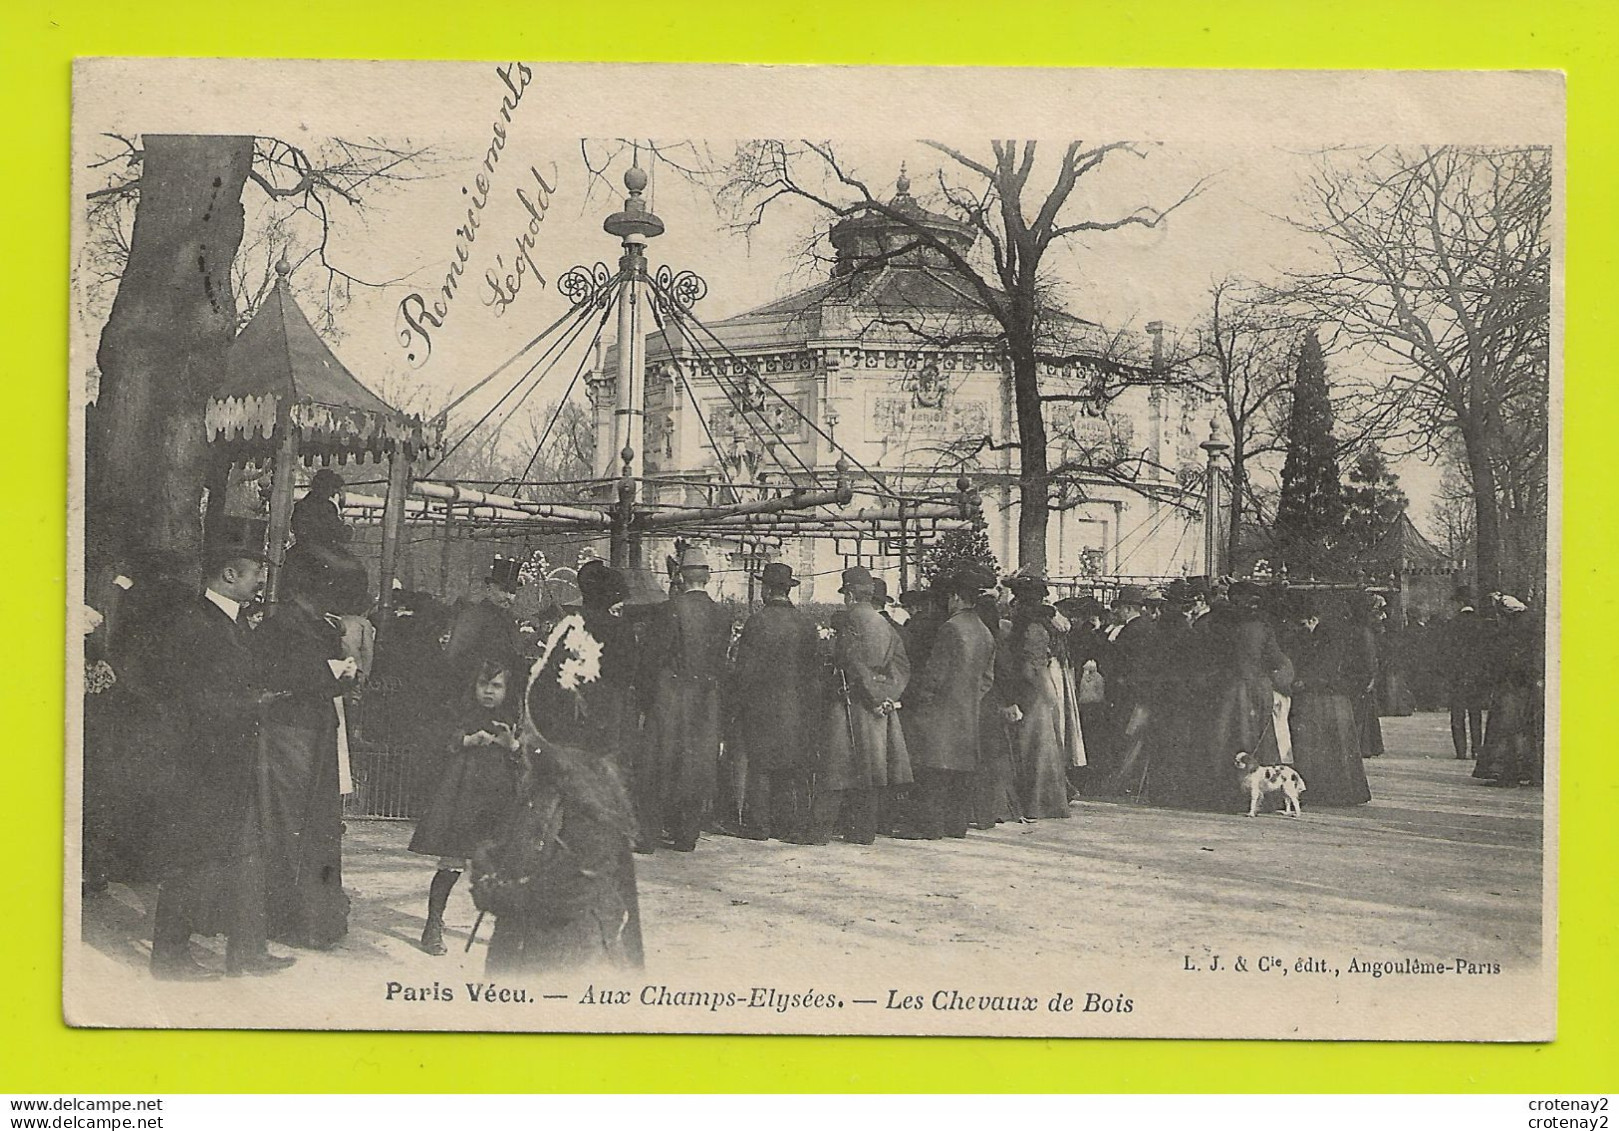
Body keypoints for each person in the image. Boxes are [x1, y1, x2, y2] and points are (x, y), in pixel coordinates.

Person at [147, 518, 295, 979]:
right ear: (229, 575)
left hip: (236, 760)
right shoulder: (192, 624)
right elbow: (188, 698)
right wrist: (253, 702)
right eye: (254, 574)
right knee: (191, 856)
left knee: (246, 856)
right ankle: (168, 957)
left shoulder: (233, 624)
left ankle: (246, 951)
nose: (259, 584)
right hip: (201, 765)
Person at [252, 544, 356, 950]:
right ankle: (291, 917)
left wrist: (341, 675)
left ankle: (311, 917)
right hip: (290, 732)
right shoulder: (282, 626)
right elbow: (274, 675)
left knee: (314, 822)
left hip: (314, 729)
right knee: (291, 821)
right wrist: (329, 674)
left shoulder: (315, 624)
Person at [476, 729, 644, 976]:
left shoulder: (592, 806)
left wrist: (505, 897)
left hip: (569, 949)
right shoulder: (541, 789)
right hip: (518, 942)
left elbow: (575, 886)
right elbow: (515, 845)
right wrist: (488, 865)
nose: (524, 742)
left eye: (532, 735)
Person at [409, 655, 523, 955]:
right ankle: (433, 924)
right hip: (463, 796)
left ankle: (509, 931)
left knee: (503, 868)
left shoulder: (516, 717)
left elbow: (528, 758)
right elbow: (435, 738)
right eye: (483, 684)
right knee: (452, 863)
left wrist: (512, 746)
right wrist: (465, 740)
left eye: (497, 686)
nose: (489, 692)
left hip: (499, 800)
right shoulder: (459, 711)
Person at [638, 547, 733, 852]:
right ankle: (687, 835)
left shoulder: (669, 610)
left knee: (659, 763)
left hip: (671, 697)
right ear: (707, 576)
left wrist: (644, 698)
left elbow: (652, 659)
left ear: (680, 575)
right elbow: (721, 662)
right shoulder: (722, 614)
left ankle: (649, 836)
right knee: (696, 766)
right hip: (706, 700)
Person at [816, 566, 912, 844]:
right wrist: (887, 697)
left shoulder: (849, 622)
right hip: (879, 710)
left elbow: (850, 661)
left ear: (848, 594)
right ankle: (864, 831)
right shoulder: (886, 624)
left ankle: (821, 830)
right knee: (872, 768)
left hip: (851, 702)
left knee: (838, 768)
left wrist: (871, 694)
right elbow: (902, 666)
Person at [730, 563, 822, 842]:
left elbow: (743, 670)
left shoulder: (756, 622)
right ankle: (786, 824)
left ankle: (758, 826)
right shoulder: (806, 624)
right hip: (797, 706)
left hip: (762, 705)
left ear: (767, 590)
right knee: (789, 766)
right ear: (788, 590)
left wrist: (737, 704)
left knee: (760, 764)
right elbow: (815, 671)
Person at [905, 571, 996, 839]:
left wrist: (923, 699)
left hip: (941, 711)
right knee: (961, 770)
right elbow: (987, 679)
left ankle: (930, 828)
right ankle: (956, 826)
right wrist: (969, 698)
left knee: (934, 770)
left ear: (956, 597)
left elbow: (935, 674)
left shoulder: (950, 628)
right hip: (968, 712)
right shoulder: (985, 631)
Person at [1187, 580, 1291, 811]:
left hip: (1220, 689)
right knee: (1256, 740)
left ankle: (1219, 795)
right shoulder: (1260, 626)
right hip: (1255, 688)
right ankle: (1259, 796)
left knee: (1221, 738)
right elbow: (1275, 659)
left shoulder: (1211, 622)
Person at [994, 576, 1072, 819]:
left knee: (1027, 746)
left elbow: (1027, 667)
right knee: (1039, 746)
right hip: (1037, 691)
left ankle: (1031, 803)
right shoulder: (1040, 627)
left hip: (1025, 691)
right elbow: (1034, 667)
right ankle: (1041, 802)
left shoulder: (1021, 628)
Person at [1283, 600, 1372, 807]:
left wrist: (1303, 681)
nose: (1303, 630)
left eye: (1305, 624)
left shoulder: (1324, 637)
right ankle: (1343, 789)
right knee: (1339, 744)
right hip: (1337, 697)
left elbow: (1323, 667)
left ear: (1314, 619)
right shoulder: (1336, 634)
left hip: (1320, 698)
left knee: (1317, 743)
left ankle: (1319, 789)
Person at [1474, 594, 1544, 786]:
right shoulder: (1529, 635)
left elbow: (1505, 663)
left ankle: (1507, 772)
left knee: (1506, 728)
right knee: (1526, 730)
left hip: (1511, 687)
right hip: (1524, 688)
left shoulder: (1510, 637)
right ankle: (1529, 770)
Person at [442, 555, 525, 689]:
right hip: (474, 689)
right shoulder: (474, 616)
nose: (509, 597)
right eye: (503, 590)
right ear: (489, 590)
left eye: (512, 592)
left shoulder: (510, 621)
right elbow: (455, 657)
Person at [1439, 586, 1489, 759]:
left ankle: (1461, 750)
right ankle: (1477, 749)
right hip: (1476, 676)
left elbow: (1446, 651)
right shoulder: (1481, 623)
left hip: (1458, 675)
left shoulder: (1453, 623)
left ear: (1459, 602)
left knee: (1458, 714)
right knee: (1475, 714)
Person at [1347, 594, 1387, 758]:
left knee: (1361, 710)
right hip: (1363, 674)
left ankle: (1364, 745)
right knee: (1363, 710)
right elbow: (1369, 656)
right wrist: (1372, 675)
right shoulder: (1365, 632)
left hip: (1356, 673)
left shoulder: (1356, 630)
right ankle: (1365, 746)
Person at [291, 468, 351, 550]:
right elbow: (335, 533)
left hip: (310, 550)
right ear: (324, 488)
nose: (333, 493)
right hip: (317, 552)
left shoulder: (300, 505)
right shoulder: (326, 507)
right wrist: (346, 530)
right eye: (332, 488)